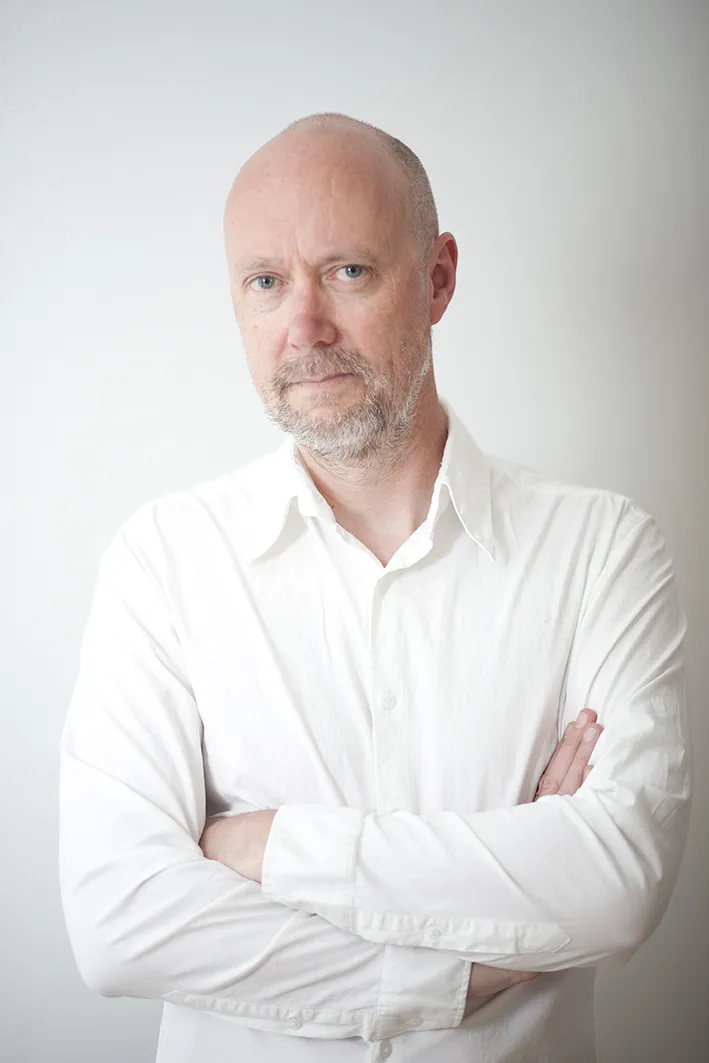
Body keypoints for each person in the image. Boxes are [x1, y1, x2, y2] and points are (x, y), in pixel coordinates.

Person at [58, 113, 690, 1063]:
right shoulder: (163, 559)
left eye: (347, 271)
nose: (302, 327)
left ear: (437, 279)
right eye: (265, 282)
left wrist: (271, 848)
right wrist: (472, 966)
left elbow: (617, 883)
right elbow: (120, 923)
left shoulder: (601, 550)